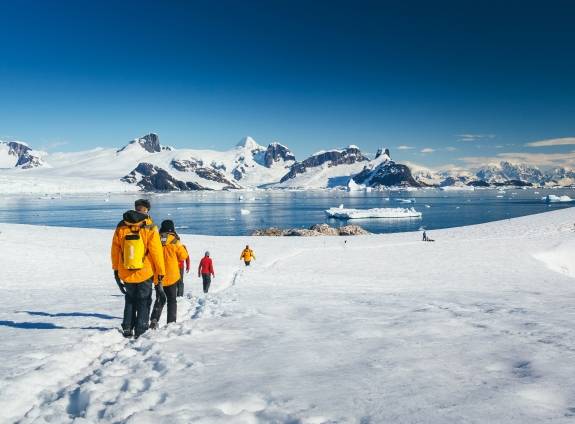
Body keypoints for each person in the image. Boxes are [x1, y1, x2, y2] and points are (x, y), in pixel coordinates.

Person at [112, 208, 165, 339]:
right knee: (144, 300)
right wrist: (160, 272)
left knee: (130, 299)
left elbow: (115, 250)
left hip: (126, 271)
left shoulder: (121, 226)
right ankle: (141, 330)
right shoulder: (150, 227)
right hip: (145, 272)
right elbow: (156, 253)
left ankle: (127, 327)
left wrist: (116, 269)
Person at [150, 220, 189, 329]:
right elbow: (183, 256)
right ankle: (171, 324)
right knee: (172, 300)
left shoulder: (156, 239)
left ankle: (154, 319)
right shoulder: (175, 241)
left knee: (159, 299)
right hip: (172, 276)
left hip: (158, 276)